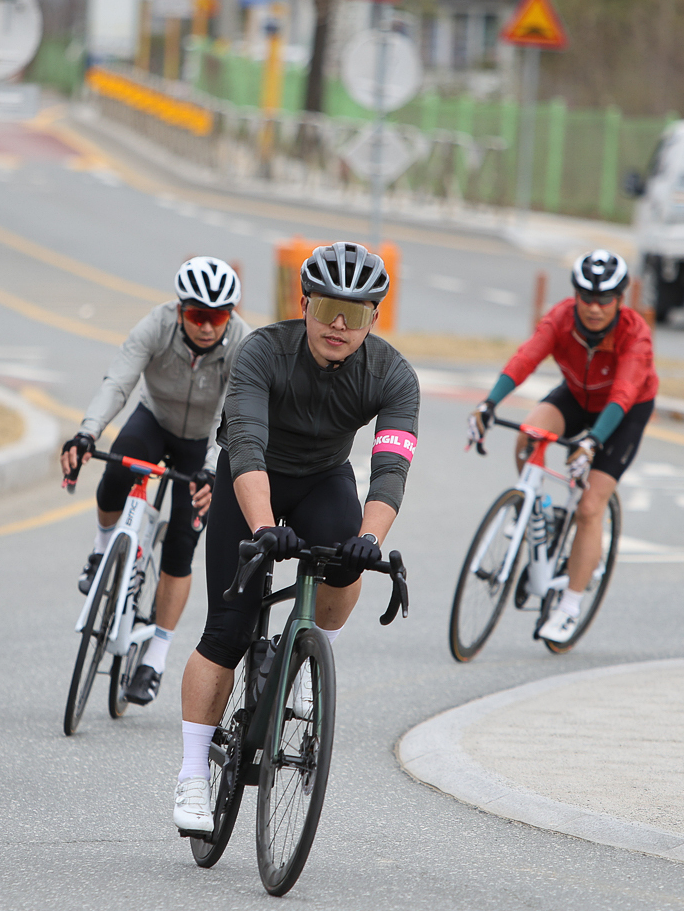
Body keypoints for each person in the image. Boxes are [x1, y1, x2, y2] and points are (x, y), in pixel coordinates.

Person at [171, 242, 418, 833]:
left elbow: (390, 469)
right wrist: (263, 528)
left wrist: (369, 540)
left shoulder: (392, 375)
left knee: (347, 568)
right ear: (304, 304)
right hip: (249, 478)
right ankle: (192, 773)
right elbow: (246, 446)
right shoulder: (263, 351)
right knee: (227, 630)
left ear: (373, 319)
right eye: (328, 307)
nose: (339, 324)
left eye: (355, 314)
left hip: (323, 479)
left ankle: (302, 655)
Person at [60, 256, 247, 706]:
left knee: (181, 544)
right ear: (180, 310)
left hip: (203, 440)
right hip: (155, 420)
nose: (207, 327)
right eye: (197, 315)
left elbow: (231, 416)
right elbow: (118, 382)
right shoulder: (155, 325)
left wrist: (210, 470)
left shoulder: (243, 343)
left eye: (218, 317)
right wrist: (87, 433)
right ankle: (102, 551)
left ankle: (155, 657)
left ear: (230, 315)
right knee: (114, 474)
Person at [470, 249, 658, 641]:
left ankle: (569, 607)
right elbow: (526, 359)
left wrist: (592, 442)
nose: (594, 308)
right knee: (528, 435)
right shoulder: (561, 318)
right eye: (586, 298)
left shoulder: (635, 335)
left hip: (623, 411)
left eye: (604, 300)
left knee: (589, 506)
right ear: (575, 295)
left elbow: (623, 394)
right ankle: (536, 511)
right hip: (576, 394)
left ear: (620, 300)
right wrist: (489, 403)